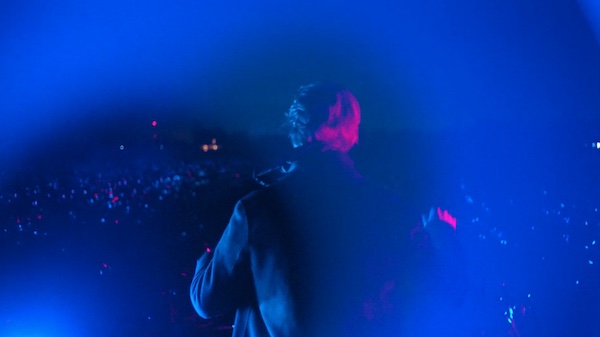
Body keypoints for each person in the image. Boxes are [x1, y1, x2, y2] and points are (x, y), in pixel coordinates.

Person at [190, 83, 456, 336]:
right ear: (352, 134)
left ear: (296, 131)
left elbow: (207, 302)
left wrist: (206, 259)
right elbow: (448, 288)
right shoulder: (392, 209)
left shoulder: (255, 209)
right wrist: (440, 233)